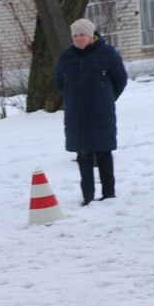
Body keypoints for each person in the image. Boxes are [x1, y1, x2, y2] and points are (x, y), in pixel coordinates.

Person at [54, 18, 127, 206]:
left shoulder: (107, 53)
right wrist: (73, 97)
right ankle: (88, 196)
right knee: (83, 155)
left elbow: (120, 79)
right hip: (76, 114)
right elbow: (60, 83)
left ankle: (108, 194)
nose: (79, 39)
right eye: (75, 36)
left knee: (103, 153)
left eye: (82, 35)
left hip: (101, 112)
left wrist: (106, 98)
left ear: (91, 35)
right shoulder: (67, 57)